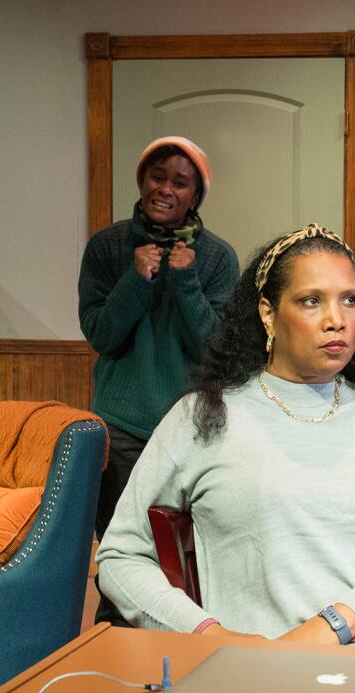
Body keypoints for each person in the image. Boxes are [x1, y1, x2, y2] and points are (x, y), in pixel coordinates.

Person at [95, 225, 355, 644]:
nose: (336, 320)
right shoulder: (202, 417)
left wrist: (339, 622)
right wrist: (207, 635)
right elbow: (121, 556)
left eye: (350, 300)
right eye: (312, 301)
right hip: (263, 675)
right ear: (268, 313)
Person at [79, 137, 239, 623]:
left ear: (195, 196)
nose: (165, 188)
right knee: (122, 551)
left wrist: (185, 281)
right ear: (141, 180)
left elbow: (217, 349)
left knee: (190, 558)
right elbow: (102, 334)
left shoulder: (216, 258)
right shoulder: (107, 247)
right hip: (123, 426)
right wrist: (136, 278)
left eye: (180, 182)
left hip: (194, 427)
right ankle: (113, 652)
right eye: (157, 176)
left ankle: (191, 645)